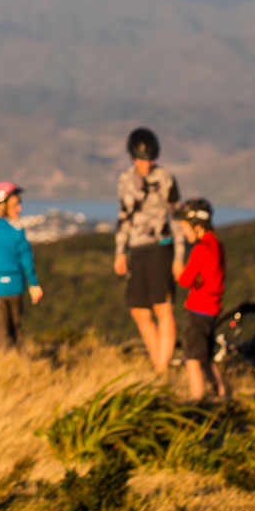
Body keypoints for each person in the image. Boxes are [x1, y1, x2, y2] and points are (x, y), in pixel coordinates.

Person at [113, 127, 180, 374]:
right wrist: (120, 251)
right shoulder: (124, 180)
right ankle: (158, 364)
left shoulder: (166, 178)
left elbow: (177, 219)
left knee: (162, 307)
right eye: (141, 160)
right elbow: (123, 216)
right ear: (133, 157)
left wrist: (179, 257)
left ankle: (162, 369)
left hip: (161, 247)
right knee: (139, 310)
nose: (146, 165)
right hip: (136, 249)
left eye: (150, 160)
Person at [0, 181, 43, 351]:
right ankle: (22, 362)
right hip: (16, 285)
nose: (19, 208)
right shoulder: (17, 230)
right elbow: (27, 259)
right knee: (17, 328)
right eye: (15, 205)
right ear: (2, 207)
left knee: (1, 330)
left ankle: (8, 364)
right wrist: (34, 285)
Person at [173, 199, 228, 401]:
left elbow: (186, 280)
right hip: (213, 309)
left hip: (197, 310)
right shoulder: (217, 245)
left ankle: (197, 400)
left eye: (184, 228)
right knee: (205, 356)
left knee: (193, 359)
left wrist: (179, 272)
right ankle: (221, 392)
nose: (183, 233)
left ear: (197, 227)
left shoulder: (200, 249)